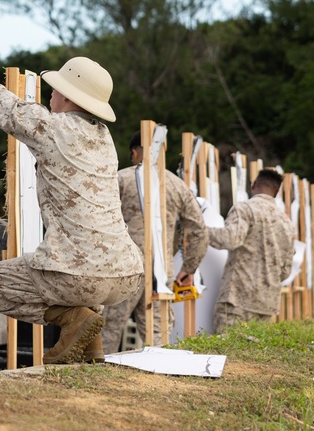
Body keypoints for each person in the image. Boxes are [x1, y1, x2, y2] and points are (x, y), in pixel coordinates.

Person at [0, 37, 143, 365]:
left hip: (80, 273)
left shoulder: (54, 128)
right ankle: (90, 344)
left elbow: (1, 104)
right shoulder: (104, 139)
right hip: (127, 274)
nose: (51, 93)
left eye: (56, 88)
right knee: (79, 286)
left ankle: (73, 319)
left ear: (68, 95)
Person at [103, 131, 209, 352]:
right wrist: (189, 268)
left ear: (134, 152)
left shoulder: (121, 178)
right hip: (161, 273)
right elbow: (199, 231)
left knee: (107, 332)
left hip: (122, 269)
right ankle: (162, 383)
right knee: (159, 340)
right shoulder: (177, 185)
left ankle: (96, 380)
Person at [208, 167, 295, 330]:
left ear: (254, 185)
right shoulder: (286, 223)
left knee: (228, 351)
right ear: (276, 193)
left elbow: (230, 238)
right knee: (253, 354)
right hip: (266, 306)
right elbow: (286, 271)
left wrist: (200, 231)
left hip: (238, 301)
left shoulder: (245, 209)